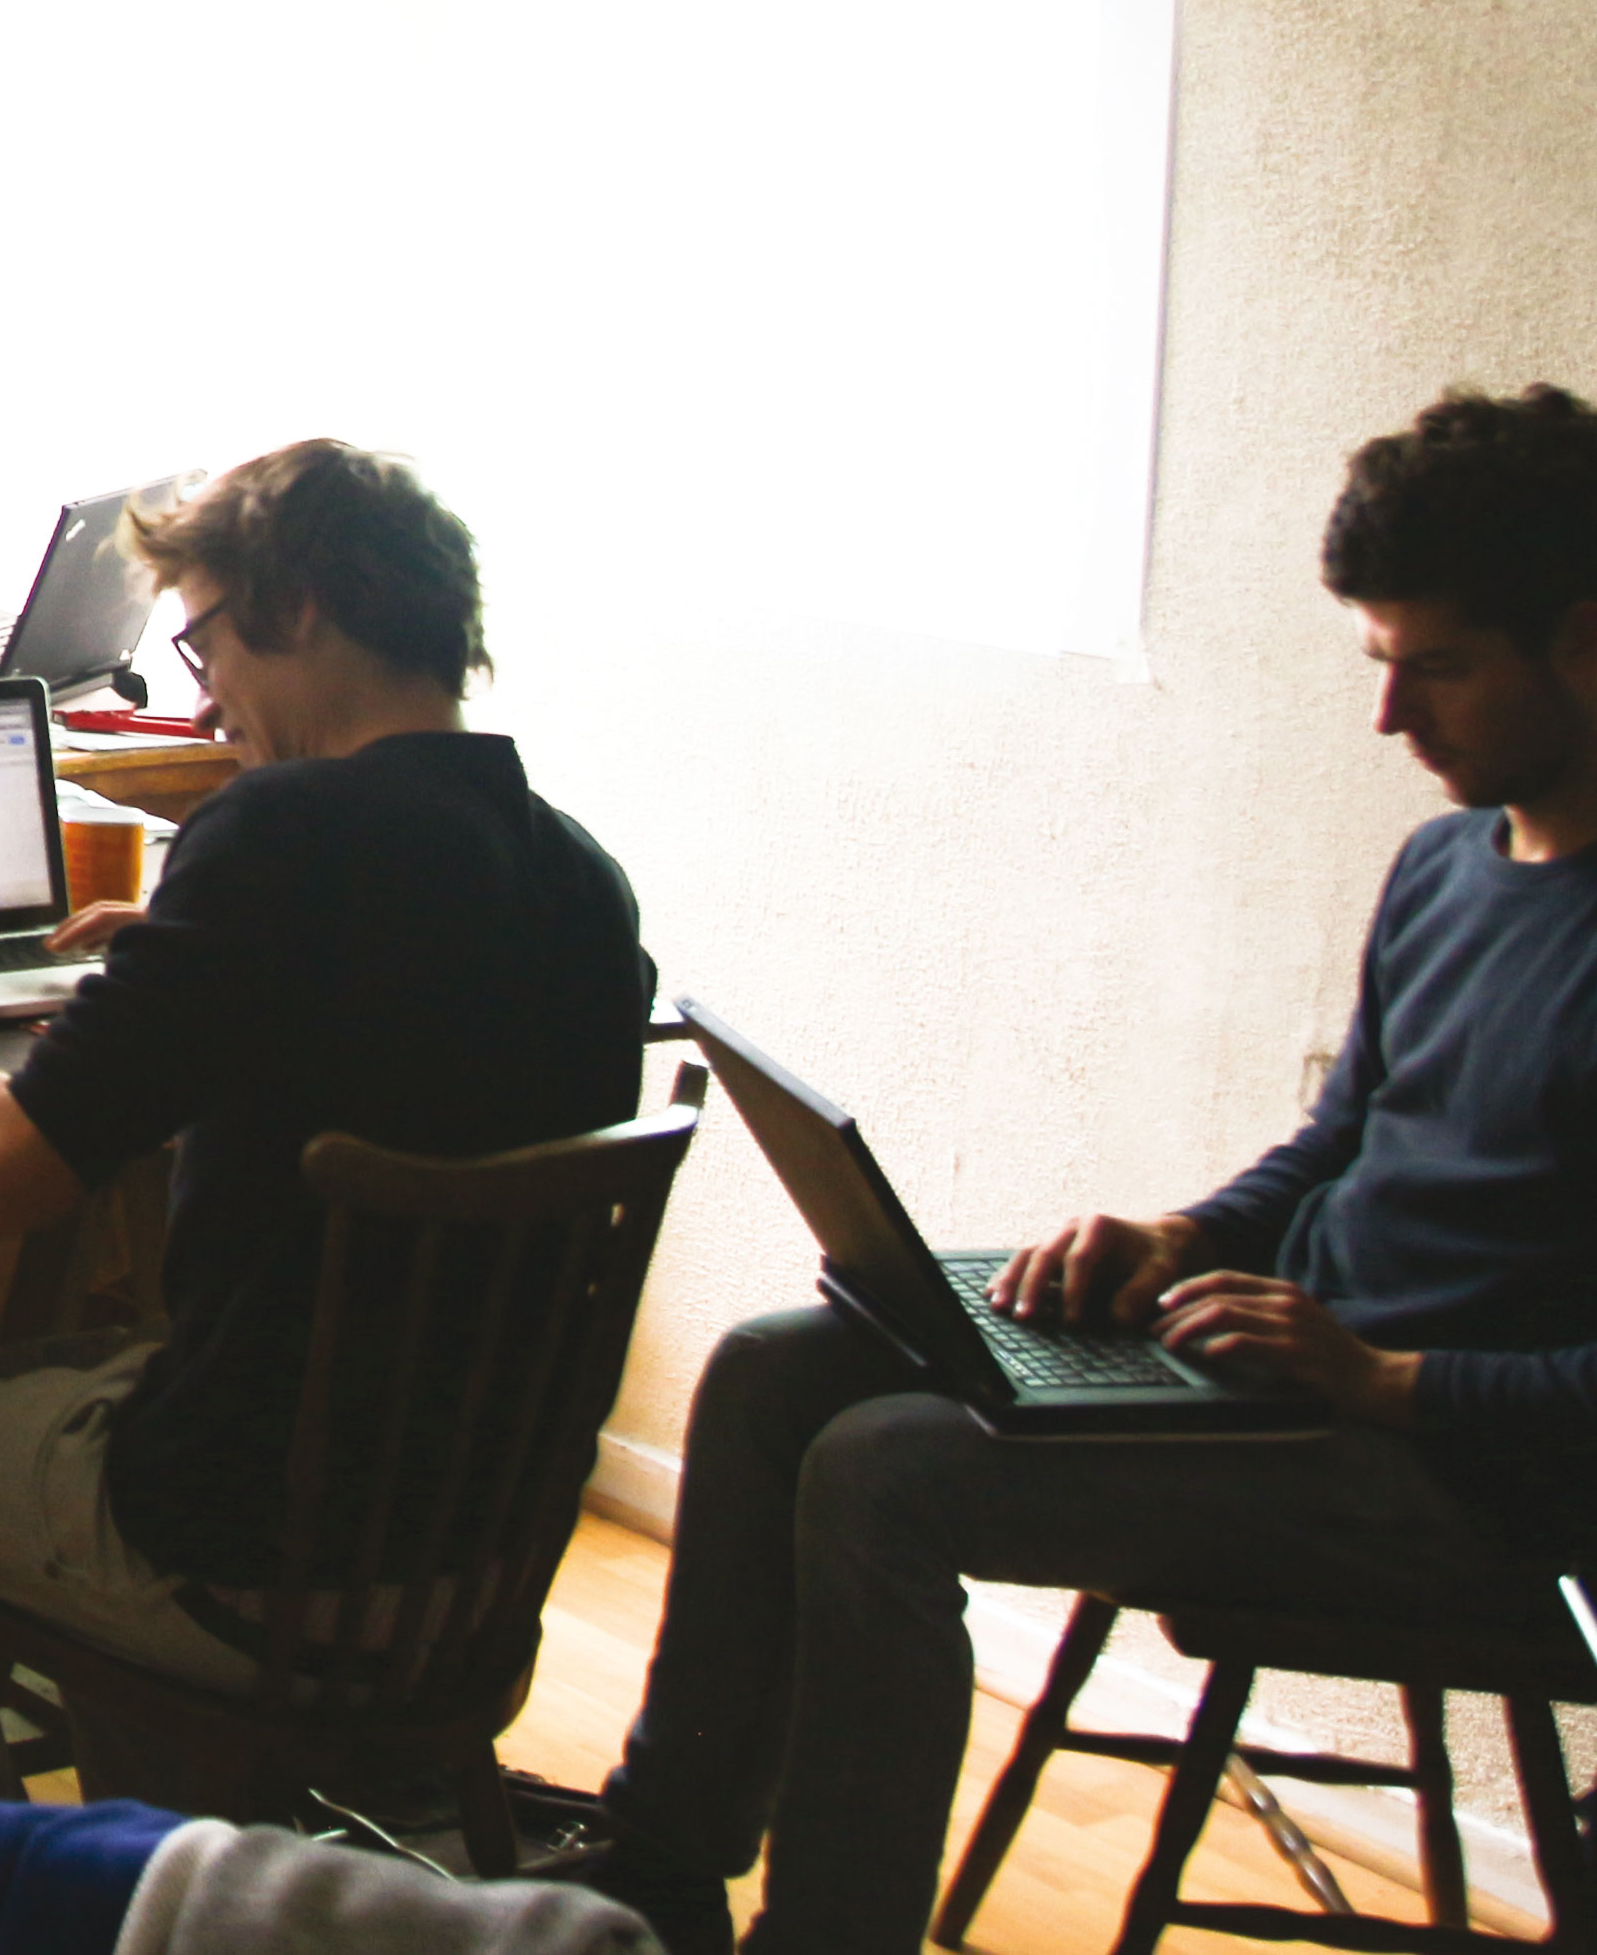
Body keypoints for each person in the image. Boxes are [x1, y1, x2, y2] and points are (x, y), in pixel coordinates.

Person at [570, 386, 1597, 1955]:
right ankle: (658, 1863)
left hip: (1470, 1482)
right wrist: (1181, 1236)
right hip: (1288, 1382)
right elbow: (1341, 1144)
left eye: (1439, 665)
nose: (1393, 717)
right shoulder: (1448, 860)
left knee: (885, 1467)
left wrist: (1385, 1378)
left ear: (1585, 639)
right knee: (777, 1365)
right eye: (1379, 662)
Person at [0, 439, 652, 1825]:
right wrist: (179, 957)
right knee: (49, 1371)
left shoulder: (282, 830)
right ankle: (183, 1848)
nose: (203, 693)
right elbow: (389, 1027)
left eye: (204, 639)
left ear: (300, 610)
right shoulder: (581, 875)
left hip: (252, 1551)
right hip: (474, 1573)